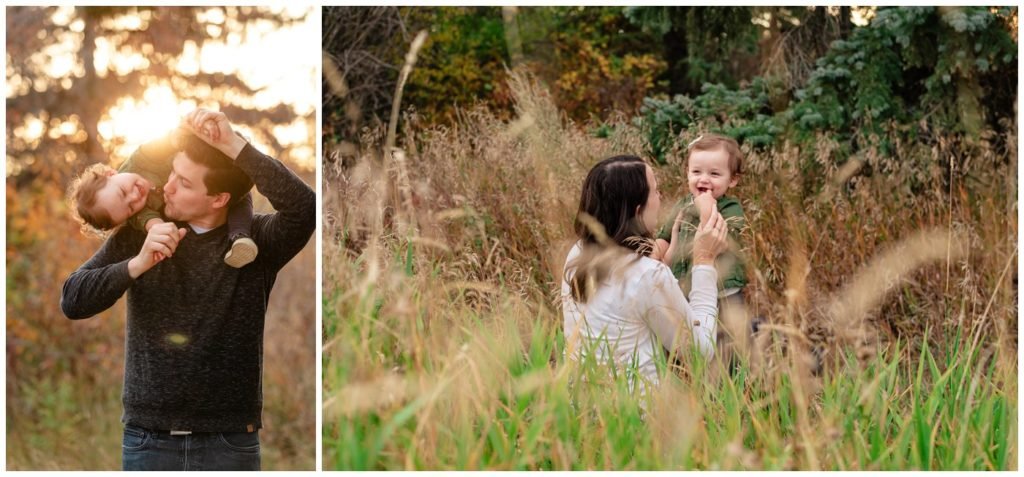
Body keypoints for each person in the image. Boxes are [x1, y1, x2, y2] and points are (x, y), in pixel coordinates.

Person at [60, 108, 316, 471]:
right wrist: (138, 263)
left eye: (183, 182)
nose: (165, 186)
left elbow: (305, 208)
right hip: (148, 438)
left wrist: (232, 144)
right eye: (172, 173)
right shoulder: (140, 236)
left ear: (219, 199)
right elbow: (72, 298)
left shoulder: (257, 242)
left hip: (229, 441)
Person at [561, 155, 729, 391]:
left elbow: (622, 306)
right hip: (636, 416)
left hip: (582, 406)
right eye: (656, 190)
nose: (660, 197)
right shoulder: (648, 276)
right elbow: (699, 353)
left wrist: (660, 264)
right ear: (638, 210)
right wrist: (704, 261)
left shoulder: (578, 253)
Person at [67, 129, 259, 268]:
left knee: (239, 197)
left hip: (212, 165)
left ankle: (241, 234)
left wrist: (189, 134)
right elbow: (148, 220)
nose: (135, 197)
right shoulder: (136, 216)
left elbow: (167, 141)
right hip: (209, 193)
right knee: (234, 199)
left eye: (123, 192)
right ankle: (240, 240)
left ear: (110, 173)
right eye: (130, 208)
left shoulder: (140, 159)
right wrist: (158, 229)